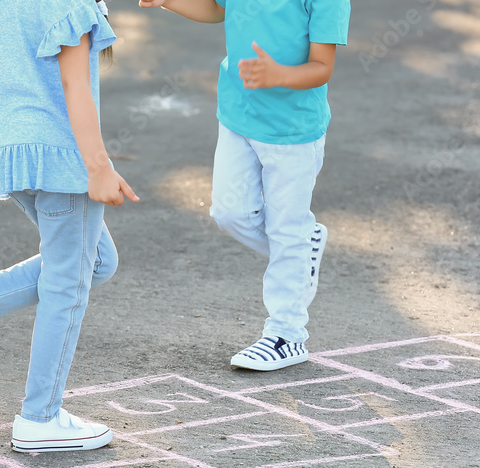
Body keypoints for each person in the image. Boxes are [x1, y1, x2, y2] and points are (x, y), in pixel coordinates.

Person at [0, 0, 138, 452]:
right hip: (59, 159)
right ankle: (39, 416)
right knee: (68, 282)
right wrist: (98, 167)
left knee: (97, 261)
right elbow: (74, 82)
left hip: (16, 150)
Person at [140, 0, 349, 370]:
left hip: (293, 133)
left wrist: (278, 75)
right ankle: (303, 246)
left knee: (286, 231)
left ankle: (288, 335)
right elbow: (217, 9)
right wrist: (170, 2)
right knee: (228, 212)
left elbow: (322, 67)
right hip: (238, 116)